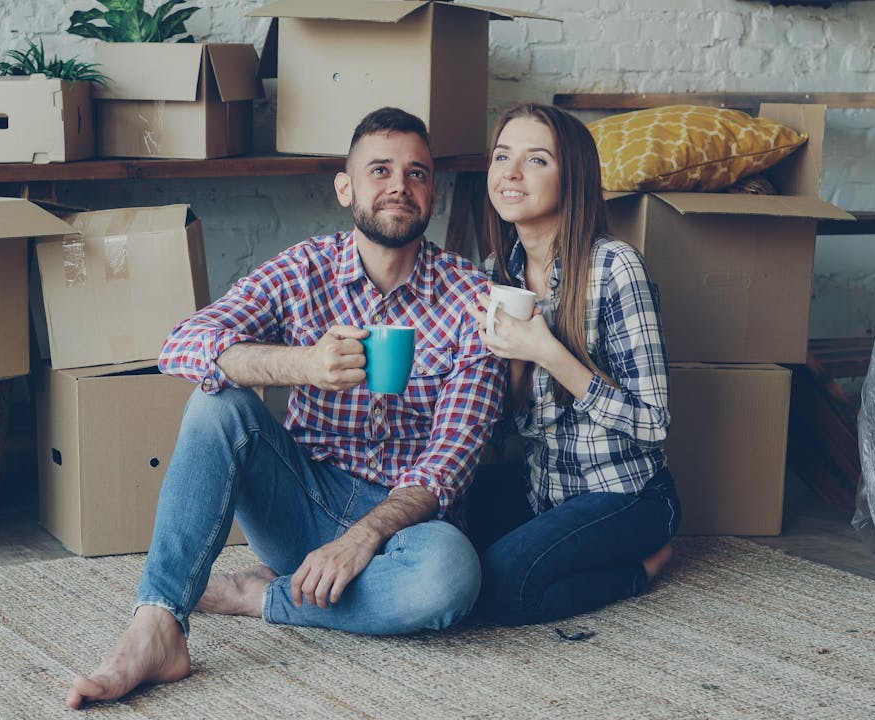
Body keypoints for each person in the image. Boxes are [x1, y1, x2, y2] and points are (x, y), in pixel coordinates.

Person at [66, 107, 506, 709]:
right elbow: (182, 344)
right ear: (345, 187)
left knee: (452, 577)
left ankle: (263, 597)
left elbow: (451, 459)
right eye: (380, 170)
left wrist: (363, 537)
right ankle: (159, 623)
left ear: (432, 193)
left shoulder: (469, 296)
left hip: (402, 523)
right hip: (299, 501)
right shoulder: (303, 269)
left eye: (417, 173)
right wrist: (300, 365)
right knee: (216, 404)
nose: (399, 185)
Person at [464, 103, 681, 626]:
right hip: (544, 488)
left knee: (500, 589)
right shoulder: (499, 271)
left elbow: (653, 424)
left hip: (626, 495)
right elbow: (514, 422)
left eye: (536, 160)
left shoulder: (615, 267)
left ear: (574, 177)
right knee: (437, 546)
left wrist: (547, 352)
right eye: (502, 157)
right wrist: (511, 365)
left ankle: (642, 569)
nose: (511, 173)